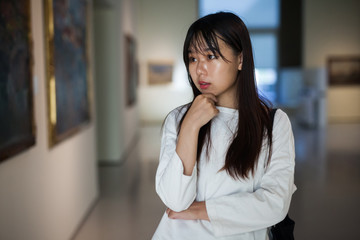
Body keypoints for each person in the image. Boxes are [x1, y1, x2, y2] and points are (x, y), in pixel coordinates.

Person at [152, 12, 296, 240]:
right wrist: (190, 126)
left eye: (210, 56)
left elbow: (275, 204)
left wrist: (203, 209)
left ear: (240, 59)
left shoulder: (273, 123)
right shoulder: (178, 119)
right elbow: (175, 200)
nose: (199, 69)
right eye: (193, 59)